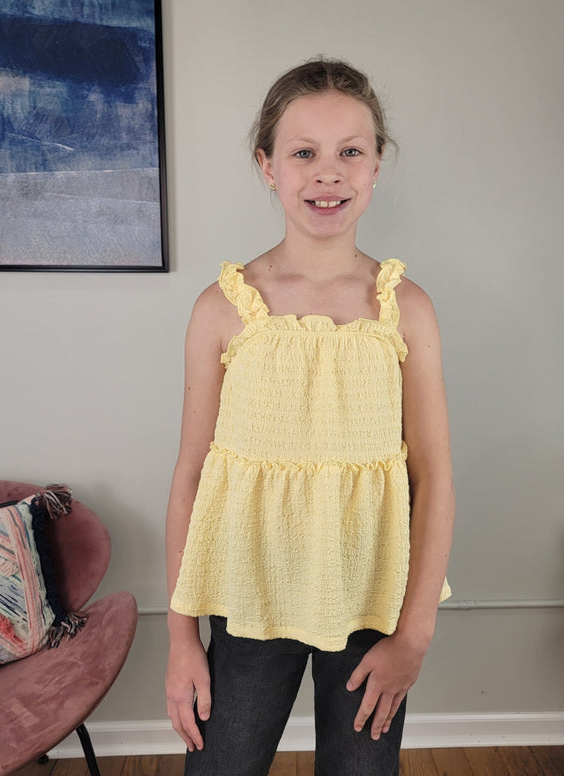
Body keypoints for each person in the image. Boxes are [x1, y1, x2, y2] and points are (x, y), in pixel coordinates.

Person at [165, 57, 454, 776]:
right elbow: (192, 476)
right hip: (248, 596)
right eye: (304, 153)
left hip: (369, 603)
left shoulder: (406, 309)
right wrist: (179, 639)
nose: (328, 173)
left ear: (377, 164)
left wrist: (414, 634)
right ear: (267, 166)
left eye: (350, 152)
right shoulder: (223, 308)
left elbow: (435, 476)